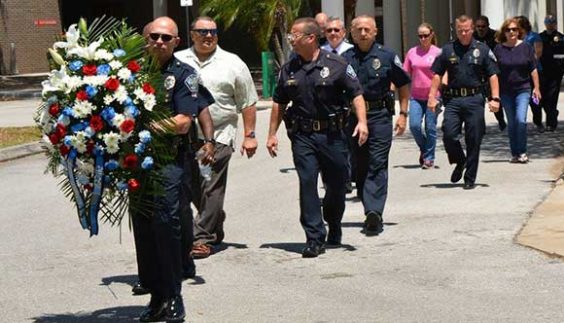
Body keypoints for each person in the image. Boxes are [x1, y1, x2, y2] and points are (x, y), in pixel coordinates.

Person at [132, 16, 215, 322]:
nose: (159, 42)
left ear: (177, 42)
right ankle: (155, 295)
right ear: (145, 38)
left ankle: (172, 295)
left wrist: (143, 126)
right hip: (135, 163)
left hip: (169, 161)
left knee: (166, 225)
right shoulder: (130, 73)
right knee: (143, 227)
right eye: (154, 36)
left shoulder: (184, 75)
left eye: (166, 38)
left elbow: (182, 122)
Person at [266, 17, 368, 257]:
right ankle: (314, 237)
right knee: (307, 182)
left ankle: (333, 222)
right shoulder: (288, 69)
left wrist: (362, 122)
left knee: (336, 186)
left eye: (295, 35)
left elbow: (356, 94)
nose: (291, 40)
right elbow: (279, 103)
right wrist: (272, 134)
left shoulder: (337, 63)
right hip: (303, 136)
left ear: (311, 38)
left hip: (333, 136)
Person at [174, 16, 259, 259]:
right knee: (190, 187)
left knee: (211, 187)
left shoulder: (233, 63)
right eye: (202, 31)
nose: (208, 36)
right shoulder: (178, 60)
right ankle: (215, 218)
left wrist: (249, 135)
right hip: (185, 135)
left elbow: (247, 101)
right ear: (192, 34)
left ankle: (201, 238)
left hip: (221, 134)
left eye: (212, 31)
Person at [342, 15, 410, 234]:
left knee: (377, 162)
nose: (363, 33)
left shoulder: (387, 56)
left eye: (367, 29)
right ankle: (367, 200)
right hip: (353, 119)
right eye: (358, 29)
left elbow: (403, 84)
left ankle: (374, 212)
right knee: (359, 164)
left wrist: (403, 114)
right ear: (351, 33)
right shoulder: (344, 59)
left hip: (380, 115)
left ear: (375, 31)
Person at [428, 15, 500, 190]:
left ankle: (470, 178)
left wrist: (495, 98)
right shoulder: (447, 49)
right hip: (453, 99)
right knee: (449, 134)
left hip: (474, 98)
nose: (463, 33)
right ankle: (460, 161)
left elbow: (493, 75)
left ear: (472, 29)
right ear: (456, 30)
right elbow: (437, 74)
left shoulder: (482, 49)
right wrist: (432, 96)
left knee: (474, 138)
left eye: (466, 30)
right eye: (460, 30)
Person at [493, 18, 540, 164]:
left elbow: (533, 69)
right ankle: (515, 153)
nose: (511, 32)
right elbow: (493, 72)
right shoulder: (499, 49)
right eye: (508, 30)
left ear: (518, 31)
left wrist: (536, 88)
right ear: (504, 32)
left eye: (514, 29)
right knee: (512, 123)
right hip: (506, 91)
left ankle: (522, 151)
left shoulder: (526, 47)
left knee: (521, 120)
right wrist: (494, 94)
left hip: (523, 89)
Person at [320, 16, 354, 192]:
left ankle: (346, 177)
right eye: (329, 30)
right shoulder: (318, 53)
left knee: (347, 144)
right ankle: (331, 181)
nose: (333, 33)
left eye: (336, 30)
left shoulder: (352, 52)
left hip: (349, 106)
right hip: (327, 108)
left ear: (344, 32)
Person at [403, 22, 441, 169]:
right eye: (420, 36)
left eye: (426, 35)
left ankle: (429, 158)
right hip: (416, 96)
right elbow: (405, 74)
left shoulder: (438, 52)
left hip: (433, 96)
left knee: (430, 127)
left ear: (431, 35)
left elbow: (443, 74)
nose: (423, 38)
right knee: (414, 126)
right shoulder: (412, 52)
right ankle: (425, 149)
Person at [474, 15, 506, 131]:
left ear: (488, 26)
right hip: (477, 71)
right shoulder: (472, 37)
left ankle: (501, 120)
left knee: (493, 97)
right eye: (478, 26)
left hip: (493, 71)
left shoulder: (495, 36)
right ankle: (479, 125)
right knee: (477, 99)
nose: (480, 29)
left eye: (483, 26)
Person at [516, 15, 544, 133]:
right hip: (518, 73)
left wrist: (528, 64)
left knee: (534, 99)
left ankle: (538, 122)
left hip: (533, 71)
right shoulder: (515, 38)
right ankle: (520, 122)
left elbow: (538, 53)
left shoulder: (534, 36)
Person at [539, 14, 564, 132]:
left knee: (552, 97)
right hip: (542, 72)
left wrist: (558, 62)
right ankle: (553, 113)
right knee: (542, 98)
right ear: (545, 23)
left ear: (555, 23)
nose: (550, 24)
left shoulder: (561, 38)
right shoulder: (540, 37)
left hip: (555, 72)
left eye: (552, 22)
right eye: (548, 22)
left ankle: (551, 123)